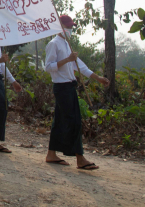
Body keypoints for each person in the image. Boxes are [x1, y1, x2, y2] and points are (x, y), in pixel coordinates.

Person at [44, 15, 110, 170]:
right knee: (74, 122)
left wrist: (97, 77)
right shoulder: (53, 44)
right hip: (61, 88)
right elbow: (48, 67)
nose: (70, 29)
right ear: (59, 26)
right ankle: (80, 158)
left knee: (59, 121)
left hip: (69, 86)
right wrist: (67, 60)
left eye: (71, 26)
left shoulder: (66, 44)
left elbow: (79, 65)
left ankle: (51, 154)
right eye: (67, 26)